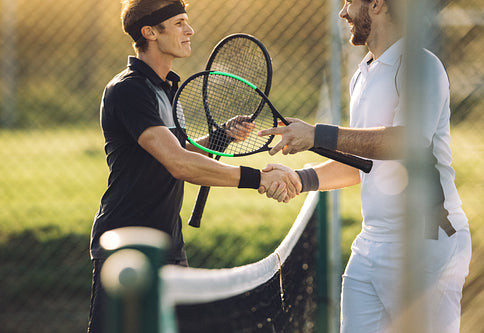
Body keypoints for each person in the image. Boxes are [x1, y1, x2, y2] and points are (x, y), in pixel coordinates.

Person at [257, 0, 471, 332]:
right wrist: (301, 179)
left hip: (427, 243)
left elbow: (408, 142)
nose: (343, 13)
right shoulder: (362, 74)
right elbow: (364, 164)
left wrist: (317, 134)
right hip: (371, 244)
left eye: (349, 2)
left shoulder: (421, 66)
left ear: (376, 5)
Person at [87, 1, 301, 331]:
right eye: (179, 23)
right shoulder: (129, 90)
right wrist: (257, 179)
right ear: (150, 32)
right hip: (127, 245)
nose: (190, 30)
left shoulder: (167, 89)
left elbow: (182, 147)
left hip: (169, 242)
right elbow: (178, 163)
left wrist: (221, 137)